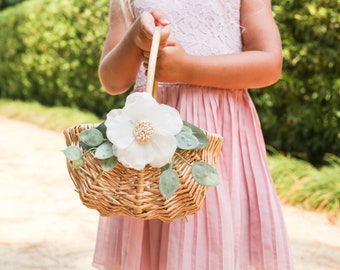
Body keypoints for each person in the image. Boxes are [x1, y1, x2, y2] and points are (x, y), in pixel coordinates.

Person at [93, 0, 295, 269]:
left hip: (216, 140)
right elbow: (112, 81)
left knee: (213, 240)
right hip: (151, 143)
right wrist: (134, 38)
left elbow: (269, 63)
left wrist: (187, 68)